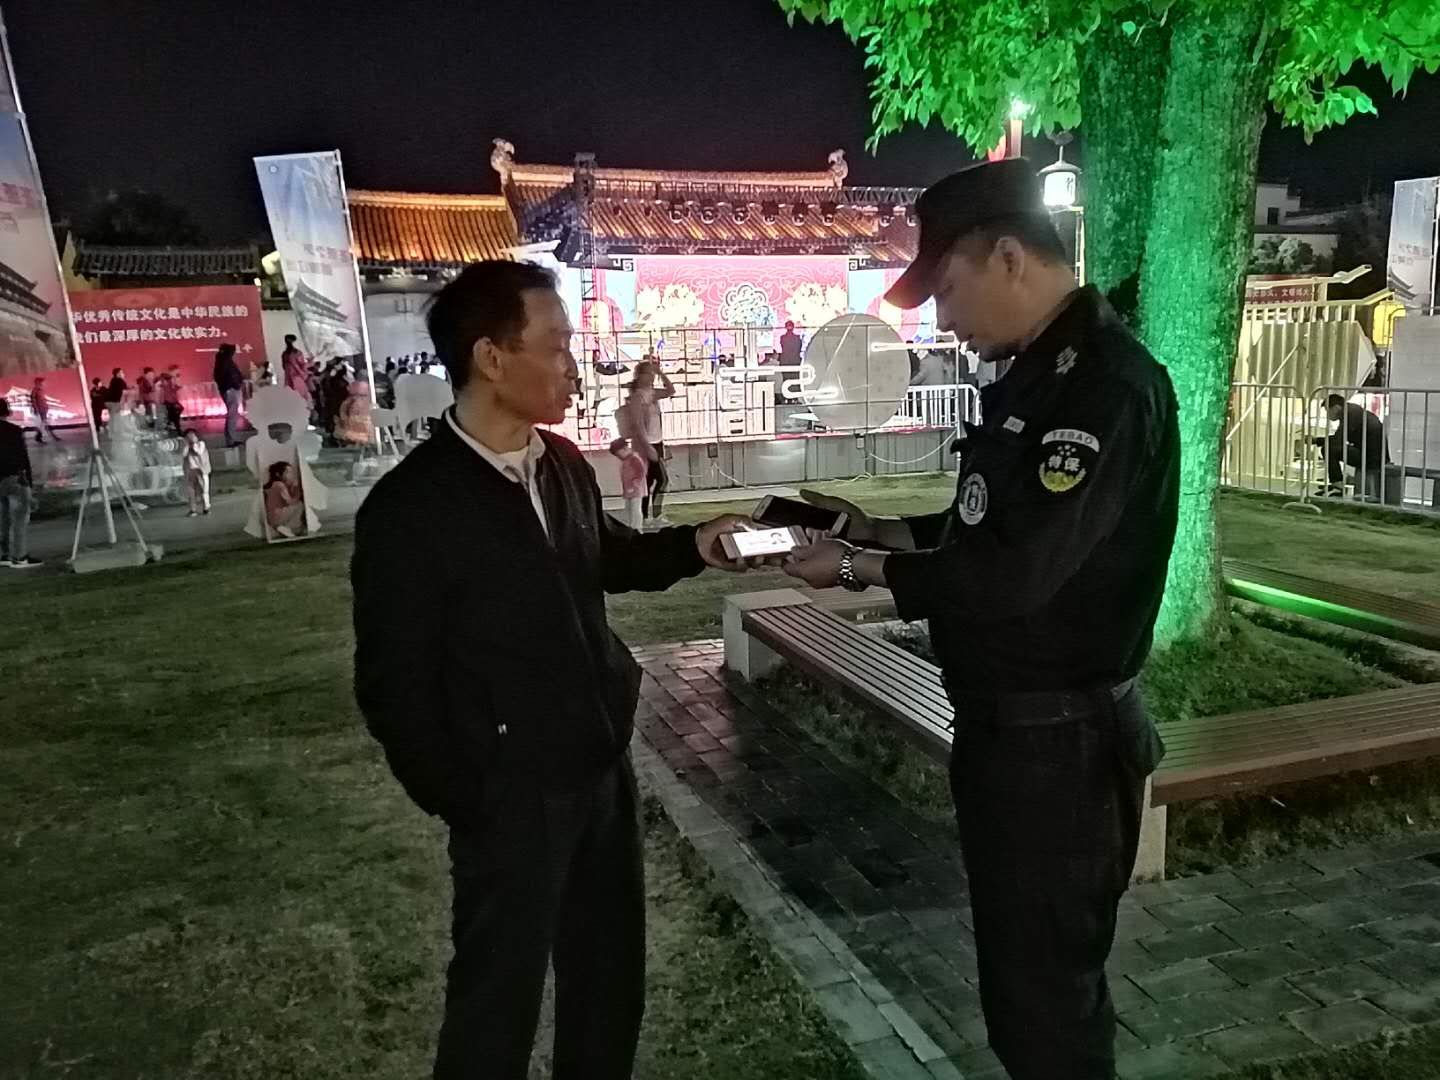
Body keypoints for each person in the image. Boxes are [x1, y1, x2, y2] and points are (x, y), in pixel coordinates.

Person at [783, 158, 1178, 1080]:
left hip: (1062, 748)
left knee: (1048, 1006)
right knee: (1022, 988)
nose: (941, 317)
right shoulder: (1038, 377)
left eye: (947, 288)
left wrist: (861, 569)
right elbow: (986, 526)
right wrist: (875, 529)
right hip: (1014, 740)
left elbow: (1015, 574)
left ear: (1008, 257)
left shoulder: (1103, 386)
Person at [350, 259, 757, 1080]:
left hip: (599, 766)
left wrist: (695, 544)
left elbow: (606, 557)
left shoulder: (561, 464)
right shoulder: (412, 508)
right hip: (508, 792)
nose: (575, 365)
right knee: (495, 1003)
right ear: (490, 357)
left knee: (608, 985)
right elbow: (394, 686)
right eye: (557, 345)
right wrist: (466, 796)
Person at [615, 359, 675, 528]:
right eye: (648, 373)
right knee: (655, 480)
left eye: (652, 373)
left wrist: (661, 372)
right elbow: (638, 424)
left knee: (655, 480)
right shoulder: (637, 397)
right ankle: (649, 515)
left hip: (656, 441)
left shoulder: (652, 394)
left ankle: (652, 514)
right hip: (645, 445)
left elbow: (671, 390)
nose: (651, 376)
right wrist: (647, 447)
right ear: (639, 376)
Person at [1311, 393, 1390, 497]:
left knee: (1329, 449)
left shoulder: (1350, 414)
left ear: (1336, 408)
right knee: (1331, 447)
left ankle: (1337, 485)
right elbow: (1340, 437)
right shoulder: (1352, 412)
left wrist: (1316, 440)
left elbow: (1338, 440)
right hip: (1373, 454)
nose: (1327, 415)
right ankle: (1336, 484)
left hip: (1371, 458)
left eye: (1327, 411)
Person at [0, 399, 40, 568]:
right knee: (19, 519)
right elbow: (22, 458)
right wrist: (28, 483)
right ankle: (20, 556)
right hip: (14, 478)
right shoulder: (14, 431)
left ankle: (4, 554)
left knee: (3, 519)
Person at [609, 437, 647, 532]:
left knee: (635, 509)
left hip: (636, 489)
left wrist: (635, 483)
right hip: (629, 489)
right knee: (629, 509)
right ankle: (631, 527)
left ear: (625, 449)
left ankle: (637, 528)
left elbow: (641, 472)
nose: (619, 457)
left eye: (619, 454)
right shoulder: (626, 460)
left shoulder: (634, 458)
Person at [213, 343, 246, 448]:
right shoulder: (225, 361)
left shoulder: (222, 361)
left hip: (229, 389)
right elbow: (231, 375)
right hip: (230, 389)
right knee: (232, 415)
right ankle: (231, 440)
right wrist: (236, 384)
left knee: (232, 415)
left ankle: (231, 439)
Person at [263, 460, 305, 538]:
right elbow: (290, 502)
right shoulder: (279, 485)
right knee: (300, 505)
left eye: (291, 472)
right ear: (278, 474)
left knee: (295, 507)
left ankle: (285, 528)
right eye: (288, 472)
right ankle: (288, 528)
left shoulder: (270, 486)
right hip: (277, 517)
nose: (291, 475)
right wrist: (298, 491)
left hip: (271, 518)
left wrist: (292, 488)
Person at [180, 428, 211, 516]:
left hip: (201, 470)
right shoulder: (186, 446)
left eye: (192, 435)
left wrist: (193, 444)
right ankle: (193, 509)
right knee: (191, 491)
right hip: (190, 471)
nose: (190, 437)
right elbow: (183, 454)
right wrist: (186, 445)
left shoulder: (201, 444)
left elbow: (198, 452)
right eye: (188, 436)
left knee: (203, 490)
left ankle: (206, 507)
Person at [282, 335, 312, 405]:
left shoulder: (284, 354)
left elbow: (284, 367)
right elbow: (303, 365)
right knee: (304, 399)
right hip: (297, 378)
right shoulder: (297, 353)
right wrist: (310, 363)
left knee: (292, 401)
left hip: (288, 380)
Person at [30, 376, 55, 444]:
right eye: (41, 382)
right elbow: (33, 401)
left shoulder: (41, 390)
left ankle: (41, 436)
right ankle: (39, 437)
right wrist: (36, 409)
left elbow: (43, 400)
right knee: (44, 423)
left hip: (43, 409)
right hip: (40, 409)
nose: (43, 383)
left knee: (44, 423)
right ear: (37, 383)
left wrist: (46, 407)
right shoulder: (35, 390)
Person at [159, 366, 183, 434]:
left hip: (172, 399)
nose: (178, 373)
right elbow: (169, 388)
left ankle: (171, 423)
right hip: (169, 400)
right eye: (176, 372)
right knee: (175, 412)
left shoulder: (172, 379)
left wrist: (177, 387)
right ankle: (177, 429)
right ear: (171, 372)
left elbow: (172, 389)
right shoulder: (168, 378)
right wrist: (177, 387)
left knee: (177, 411)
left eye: (178, 372)